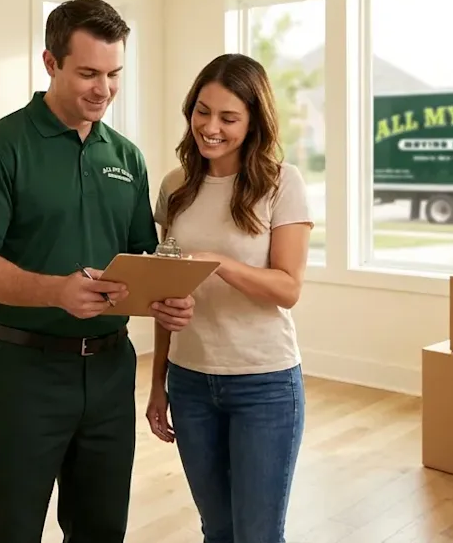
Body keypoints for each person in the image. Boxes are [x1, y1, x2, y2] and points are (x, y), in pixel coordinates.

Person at [0, 0, 196, 543]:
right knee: (6, 528)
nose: (103, 89)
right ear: (50, 62)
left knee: (101, 528)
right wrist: (56, 291)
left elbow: (141, 260)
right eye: (87, 72)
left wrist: (166, 294)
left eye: (113, 74)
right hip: (23, 372)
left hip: (110, 374)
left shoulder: (126, 157)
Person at [145, 53, 313, 543]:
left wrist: (217, 263)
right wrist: (159, 383)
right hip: (191, 383)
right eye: (202, 110)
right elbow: (164, 290)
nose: (210, 127)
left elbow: (288, 289)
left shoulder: (282, 184)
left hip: (264, 385)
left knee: (257, 535)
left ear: (254, 121)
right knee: (216, 530)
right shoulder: (175, 186)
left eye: (228, 117)